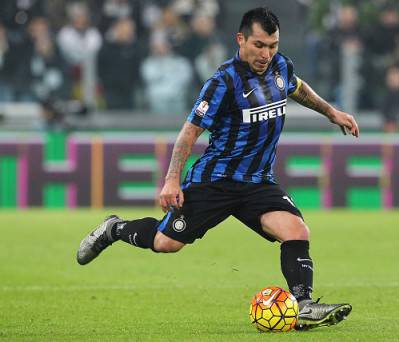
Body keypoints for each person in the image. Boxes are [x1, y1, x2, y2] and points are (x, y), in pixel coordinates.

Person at [77, 7, 359, 330]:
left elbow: (296, 88)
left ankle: (304, 305)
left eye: (272, 45)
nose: (266, 54)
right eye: (258, 45)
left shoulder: (281, 66)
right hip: (216, 180)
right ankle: (114, 229)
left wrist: (330, 112)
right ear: (240, 39)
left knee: (297, 231)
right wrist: (172, 180)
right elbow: (190, 132)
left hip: (257, 182)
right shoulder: (223, 82)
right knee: (165, 243)